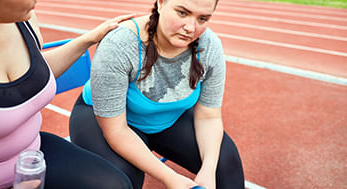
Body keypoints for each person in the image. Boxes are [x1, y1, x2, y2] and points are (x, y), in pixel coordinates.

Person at [70, 0, 244, 188]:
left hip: (166, 120)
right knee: (123, 178)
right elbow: (116, 131)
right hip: (109, 122)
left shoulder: (209, 46)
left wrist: (208, 171)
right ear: (161, 3)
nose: (190, 28)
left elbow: (208, 117)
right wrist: (170, 177)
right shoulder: (120, 44)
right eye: (182, 13)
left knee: (224, 161)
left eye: (202, 19)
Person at [0, 0, 135, 188]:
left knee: (116, 185)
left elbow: (36, 73)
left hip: (33, 154)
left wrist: (89, 38)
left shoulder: (24, 21)